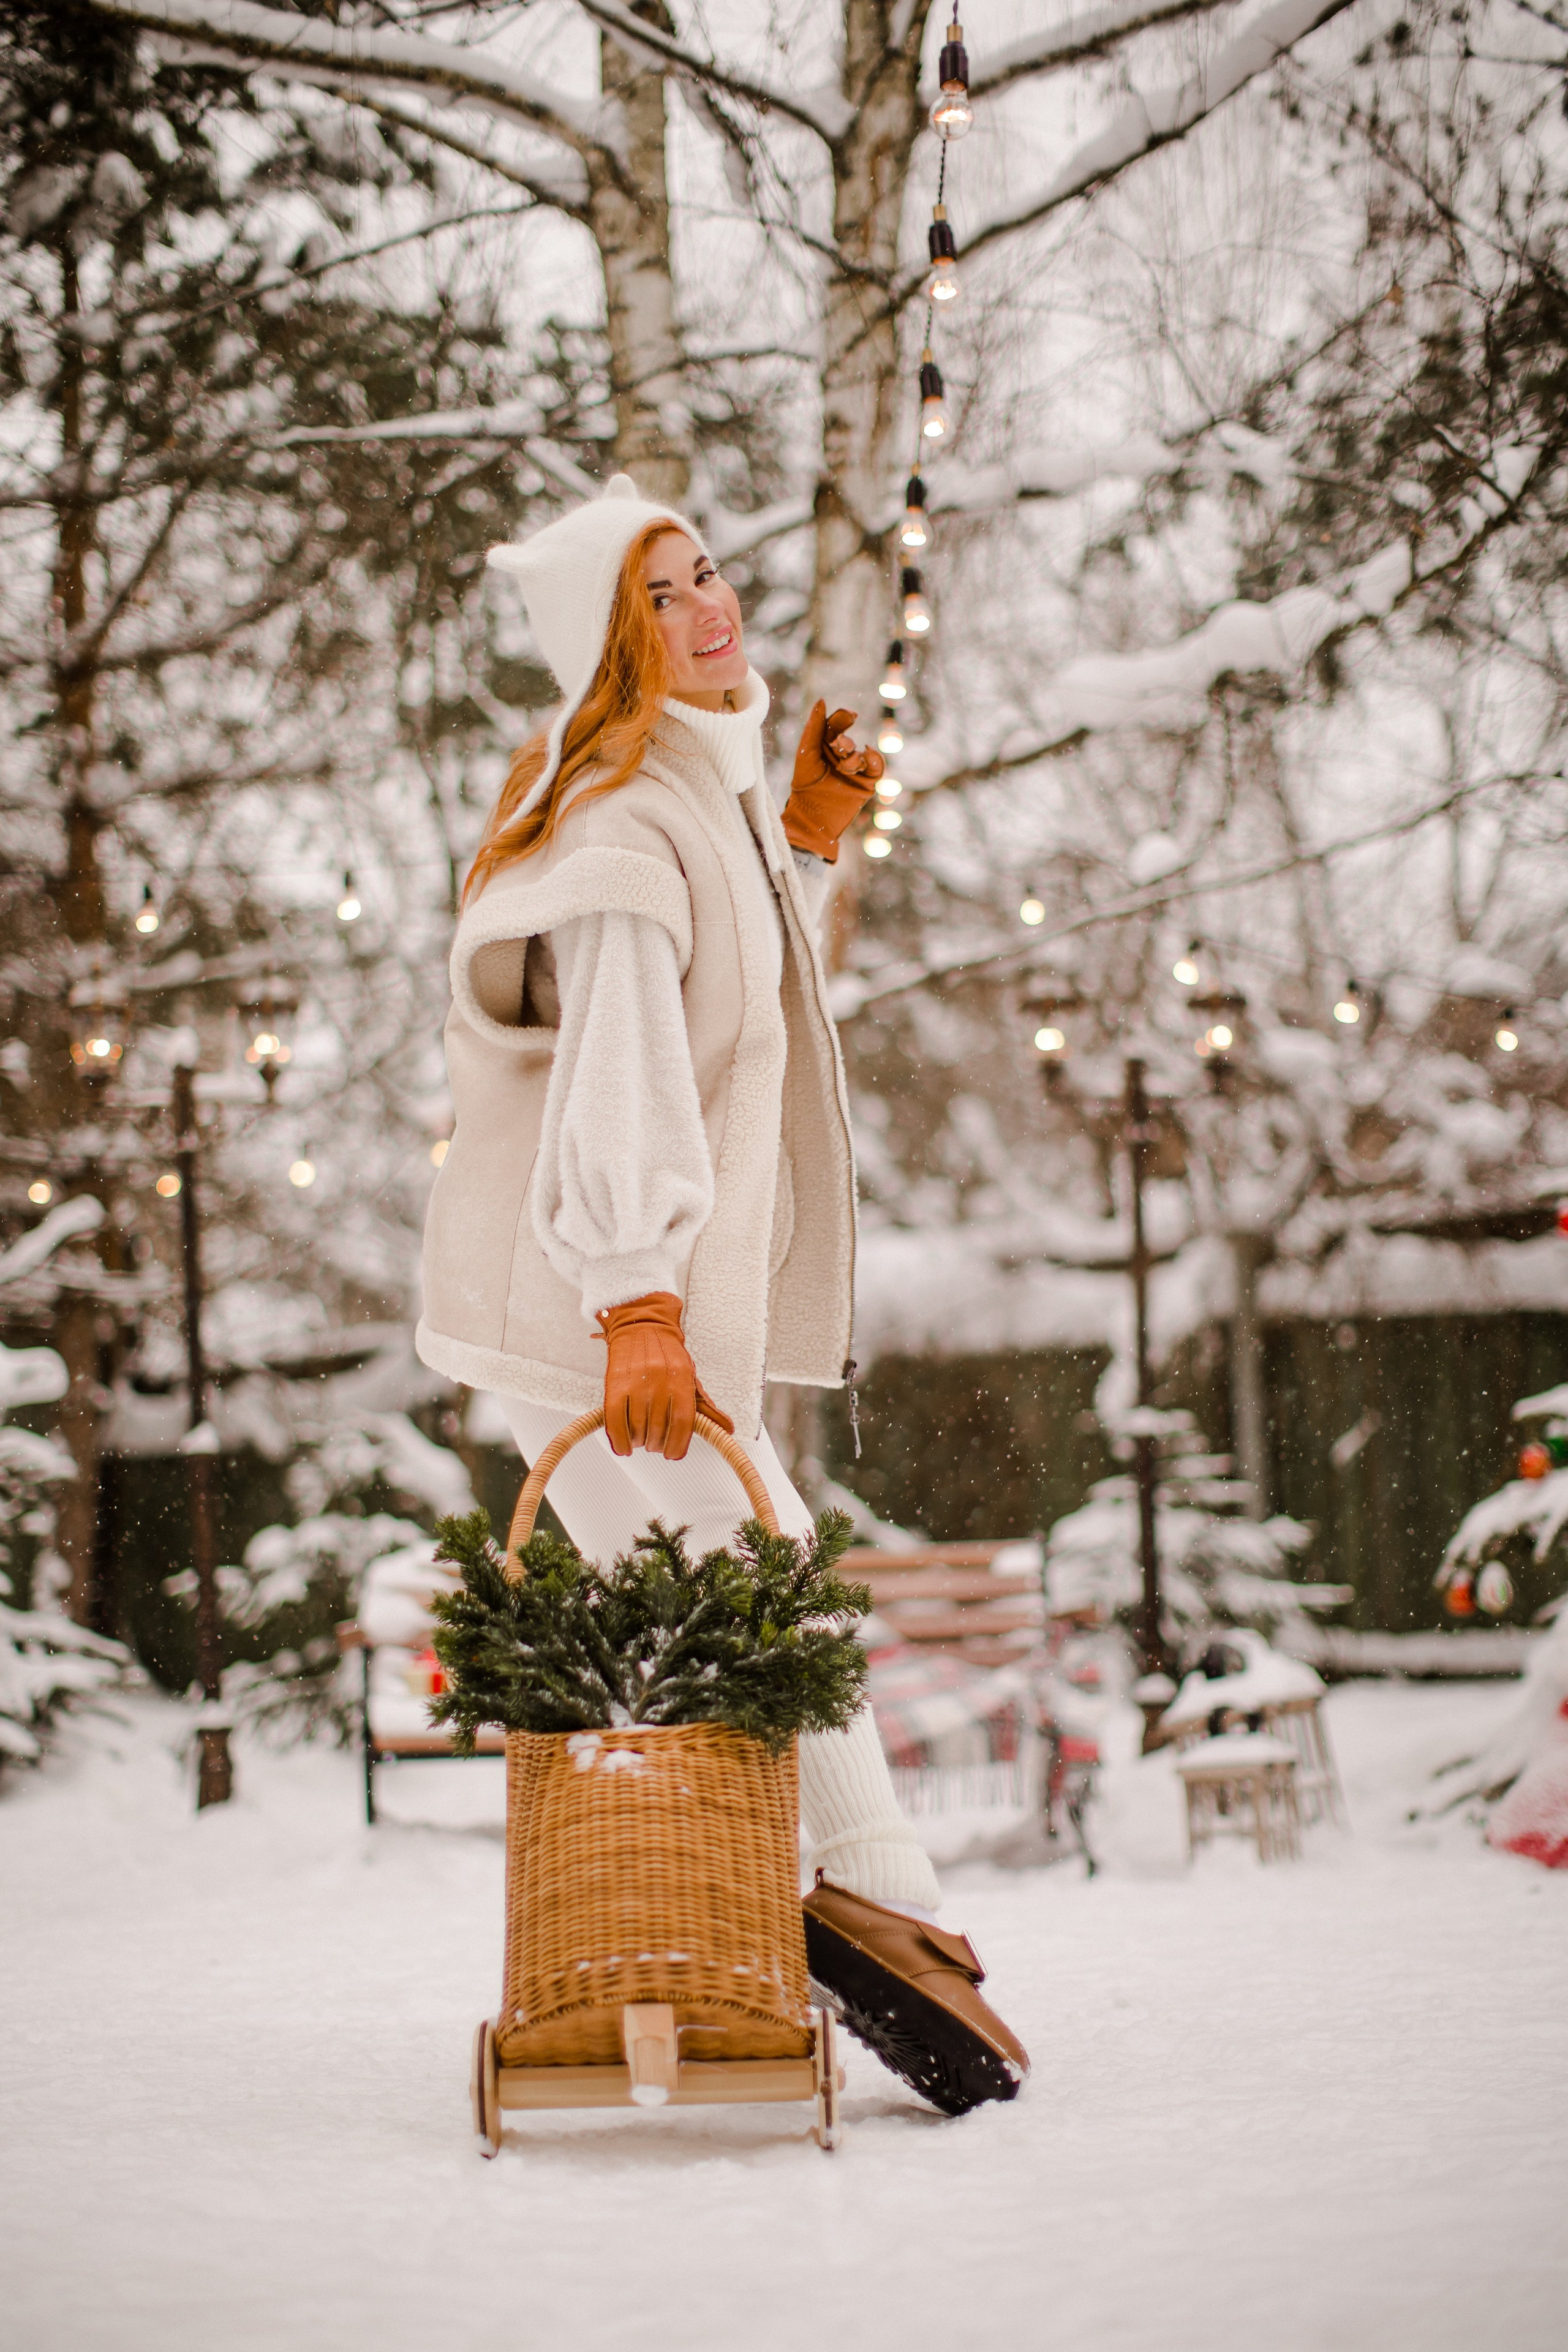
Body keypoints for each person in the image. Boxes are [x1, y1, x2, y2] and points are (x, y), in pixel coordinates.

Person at [417, 473, 1028, 2116]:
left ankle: (778, 1916)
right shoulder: (621, 822)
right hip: (607, 1312)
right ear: (612, 647)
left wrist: (805, 841)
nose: (711, 608)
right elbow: (622, 1072)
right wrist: (633, 1299)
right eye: (665, 596)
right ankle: (876, 1898)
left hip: (643, 1307)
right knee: (773, 1588)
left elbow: (725, 987)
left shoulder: (686, 803)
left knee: (759, 1598)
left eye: (708, 575)